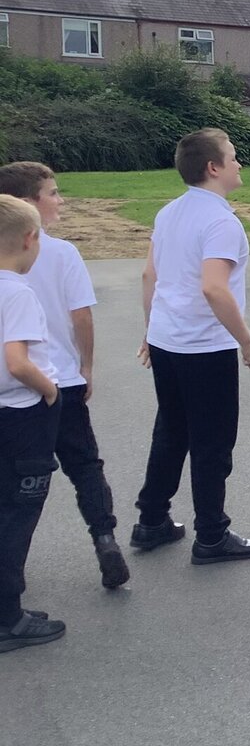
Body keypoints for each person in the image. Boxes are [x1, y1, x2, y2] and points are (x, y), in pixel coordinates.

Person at [134, 128, 250, 564]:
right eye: (233, 157)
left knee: (171, 431)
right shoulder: (220, 222)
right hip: (203, 347)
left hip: (168, 340)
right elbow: (215, 288)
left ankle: (152, 520)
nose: (239, 163)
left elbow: (149, 277)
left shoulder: (169, 212)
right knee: (212, 442)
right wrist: (247, 343)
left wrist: (151, 331)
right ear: (213, 168)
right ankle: (211, 535)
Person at [0, 162, 128, 589]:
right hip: (56, 380)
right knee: (85, 465)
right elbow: (81, 317)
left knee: (15, 481)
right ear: (28, 204)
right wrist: (85, 365)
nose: (60, 200)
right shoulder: (61, 252)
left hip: (11, 394)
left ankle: (11, 566)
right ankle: (105, 537)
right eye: (52, 193)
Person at [0, 194, 66, 652]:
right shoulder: (18, 292)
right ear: (29, 239)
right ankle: (9, 617)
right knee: (19, 513)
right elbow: (17, 361)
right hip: (23, 415)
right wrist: (48, 388)